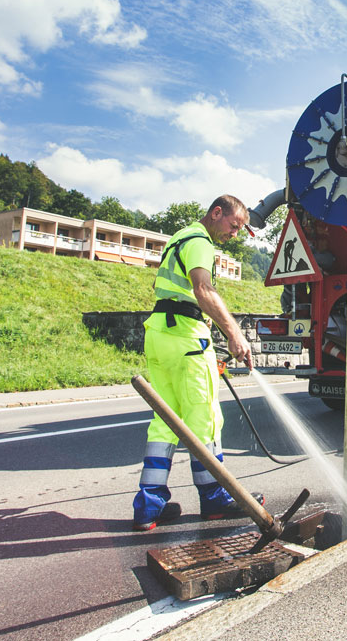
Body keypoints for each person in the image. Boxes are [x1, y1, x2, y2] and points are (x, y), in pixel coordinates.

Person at [132, 194, 264, 531]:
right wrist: (234, 334)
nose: (234, 233)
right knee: (204, 418)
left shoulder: (179, 237)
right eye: (233, 225)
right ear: (216, 213)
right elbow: (203, 289)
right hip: (186, 339)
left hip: (160, 335)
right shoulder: (200, 242)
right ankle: (214, 498)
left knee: (166, 421)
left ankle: (149, 505)